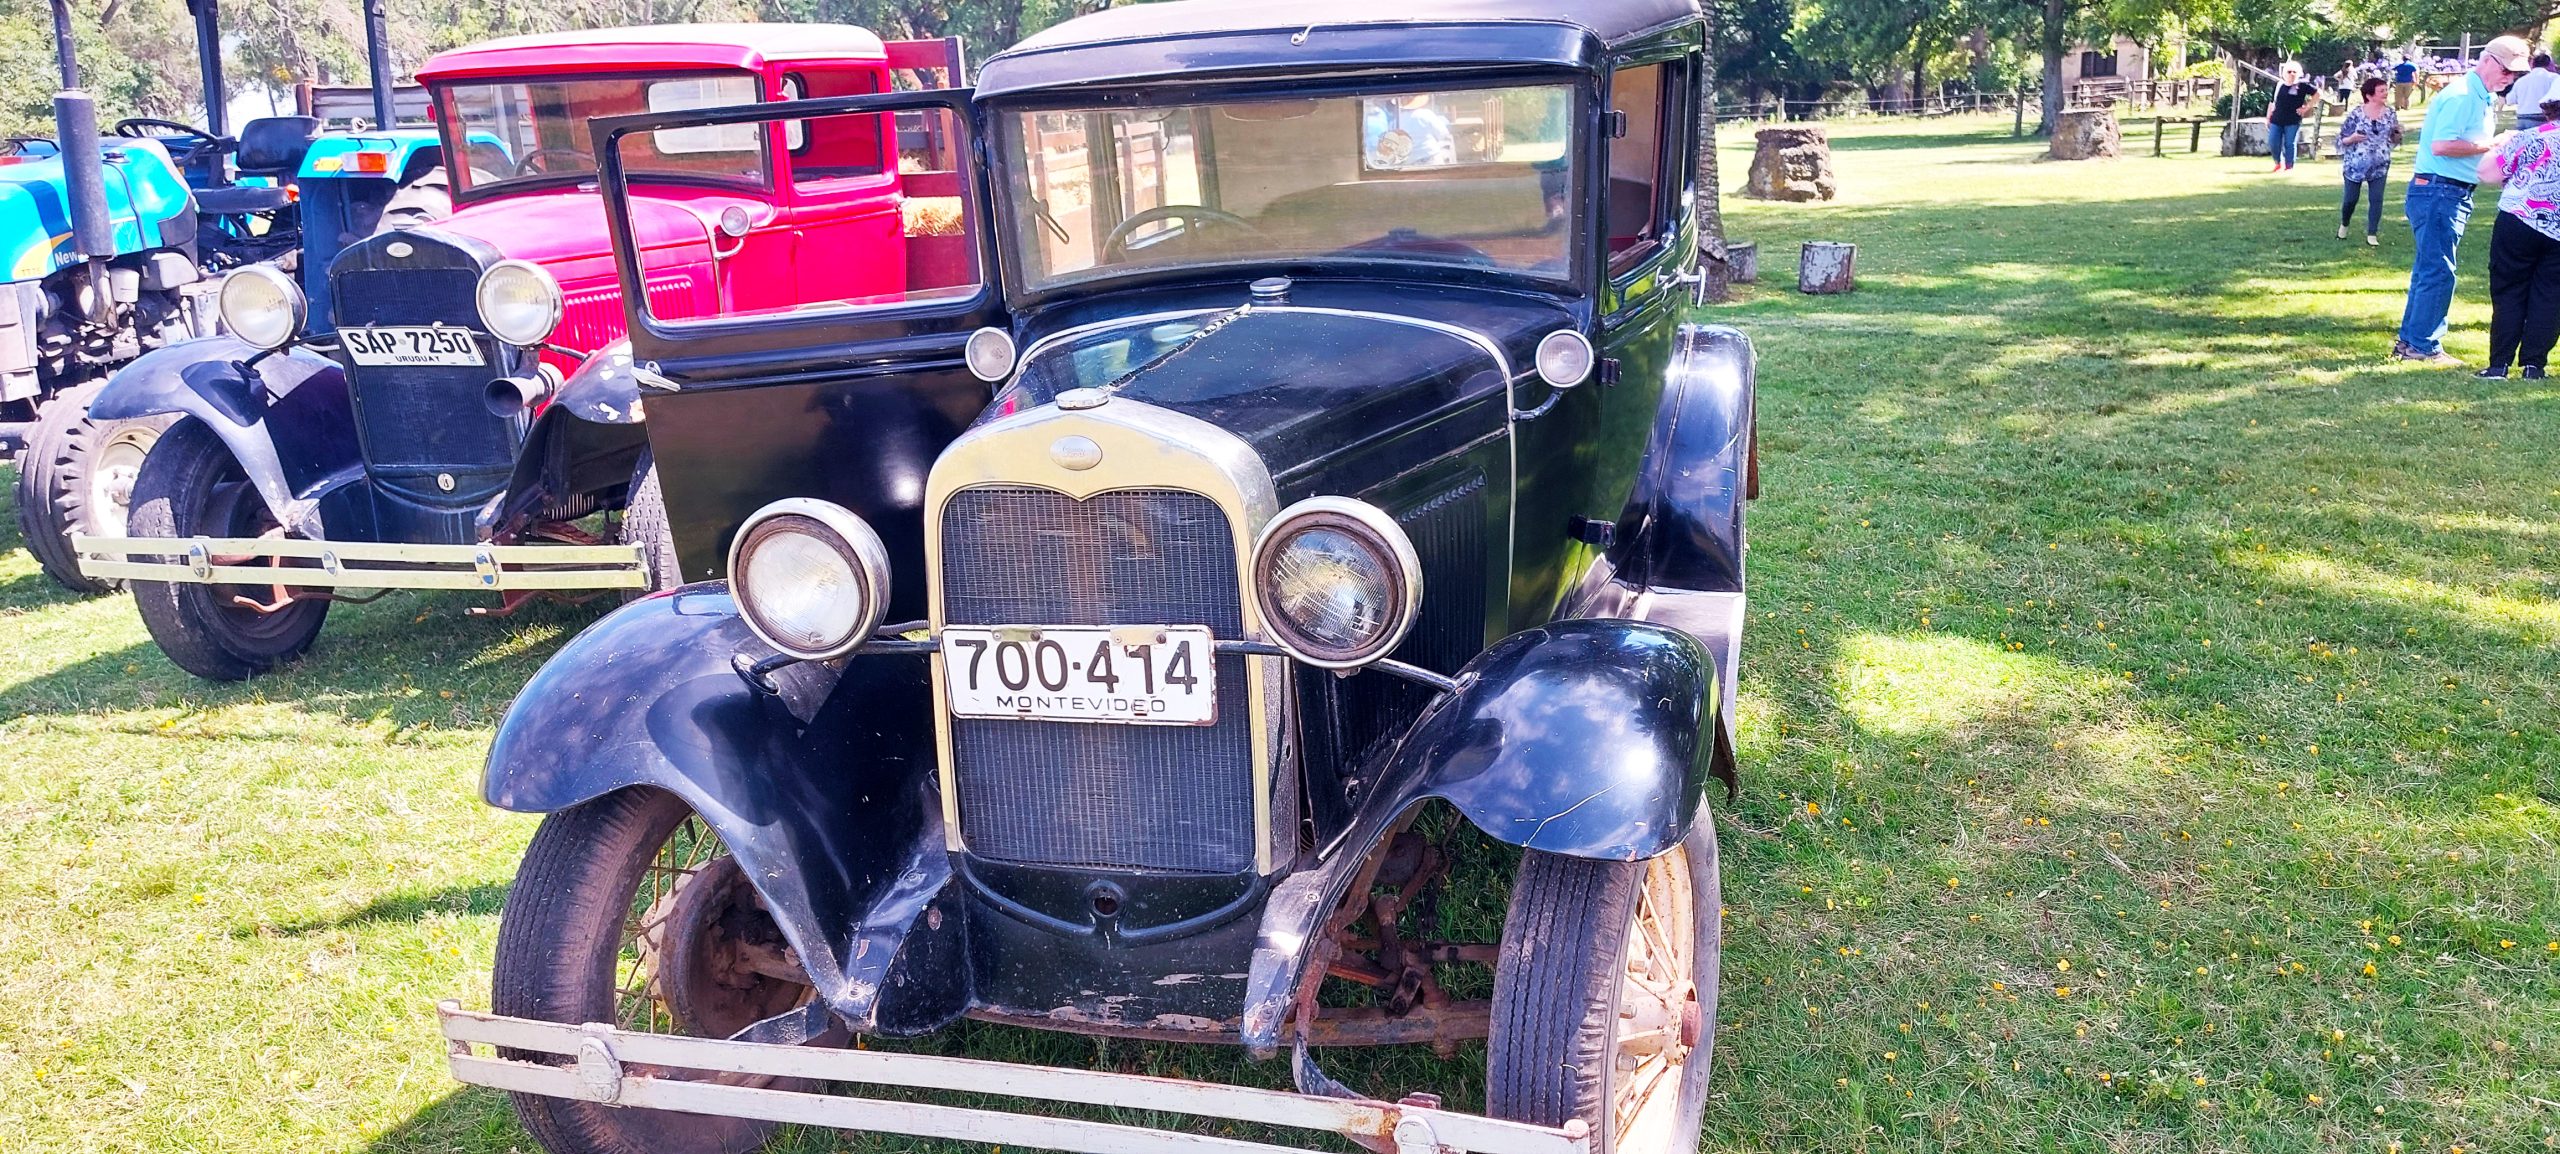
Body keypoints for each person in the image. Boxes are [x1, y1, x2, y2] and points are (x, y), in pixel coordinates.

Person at [2395, 35, 2532, 365]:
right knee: (2438, 271)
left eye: (2515, 74)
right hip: (2440, 191)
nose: (2509, 78)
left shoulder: (2478, 95)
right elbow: (2442, 145)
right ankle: (2422, 346)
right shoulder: (2463, 95)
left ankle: (2412, 342)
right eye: (2506, 70)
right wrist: (2492, 144)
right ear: (2487, 60)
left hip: (2442, 190)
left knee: (2429, 269)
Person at [2473, 96, 2560, 378]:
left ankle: (2499, 364)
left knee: (2509, 290)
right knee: (2550, 295)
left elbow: (2486, 173)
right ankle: (2534, 365)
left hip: (2518, 218)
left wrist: (2499, 145)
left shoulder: (2530, 136)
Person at [2339, 77, 2403, 246]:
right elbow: (2342, 139)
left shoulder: (2390, 114)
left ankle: (2372, 234)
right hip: (2355, 164)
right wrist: (2351, 138)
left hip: (2380, 164)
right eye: (2381, 91)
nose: (2386, 93)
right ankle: (2344, 224)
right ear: (2369, 95)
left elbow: (2394, 138)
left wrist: (2398, 134)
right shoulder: (2356, 114)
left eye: (2386, 90)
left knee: (2376, 198)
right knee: (2350, 200)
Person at [2268, 62, 2316, 172]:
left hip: (2293, 120)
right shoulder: (2279, 85)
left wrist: (2307, 107)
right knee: (2273, 141)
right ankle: (2278, 162)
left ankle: (2289, 166)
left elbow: (2318, 94)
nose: (2292, 74)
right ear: (2285, 73)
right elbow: (2272, 102)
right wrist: (2268, 117)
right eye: (2289, 72)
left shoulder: (2302, 85)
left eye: (2294, 72)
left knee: (2290, 143)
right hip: (2277, 119)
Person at [2513, 54, 2560, 129]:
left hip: (2522, 118)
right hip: (2542, 119)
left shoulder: (2521, 80)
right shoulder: (2555, 78)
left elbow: (2510, 100)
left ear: (2532, 65)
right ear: (2549, 64)